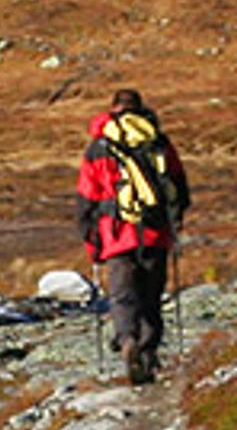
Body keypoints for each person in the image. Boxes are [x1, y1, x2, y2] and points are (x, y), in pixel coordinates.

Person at [77, 87, 190, 384]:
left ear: (112, 109)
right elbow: (178, 186)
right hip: (155, 233)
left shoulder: (98, 148)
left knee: (123, 296)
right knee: (151, 296)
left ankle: (127, 342)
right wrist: (175, 224)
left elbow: (87, 199)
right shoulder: (159, 143)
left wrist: (92, 242)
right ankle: (149, 352)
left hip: (116, 235)